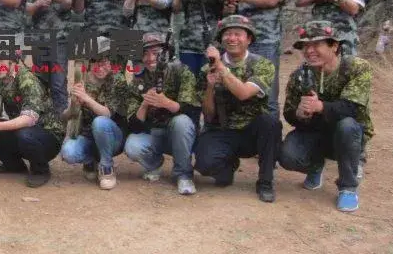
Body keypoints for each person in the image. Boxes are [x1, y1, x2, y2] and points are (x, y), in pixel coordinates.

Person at [278, 21, 373, 212]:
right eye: (305, 46)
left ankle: (348, 187)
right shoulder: (300, 75)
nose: (309, 51)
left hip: (346, 133)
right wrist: (298, 114)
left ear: (334, 46)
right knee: (287, 156)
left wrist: (320, 106)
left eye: (316, 44)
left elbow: (352, 108)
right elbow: (289, 113)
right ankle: (315, 166)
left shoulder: (357, 68)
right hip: (315, 132)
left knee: (347, 125)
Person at [193, 15, 282, 203]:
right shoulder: (206, 69)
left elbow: (243, 93)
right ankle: (228, 164)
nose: (232, 38)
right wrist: (210, 87)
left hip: (252, 131)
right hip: (221, 129)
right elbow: (208, 114)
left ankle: (265, 182)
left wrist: (221, 68)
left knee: (271, 123)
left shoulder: (263, 65)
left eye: (237, 34)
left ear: (249, 39)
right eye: (227, 34)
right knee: (205, 164)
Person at [220, 0, 290, 114]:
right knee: (241, 88)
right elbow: (234, 12)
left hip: (265, 41)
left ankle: (271, 131)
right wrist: (230, 6)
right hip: (241, 43)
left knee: (267, 95)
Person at [124, 33, 199, 195]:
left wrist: (166, 103)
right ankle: (154, 164)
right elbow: (134, 125)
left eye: (156, 53)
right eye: (145, 53)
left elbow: (191, 110)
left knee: (182, 122)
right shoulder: (139, 80)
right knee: (132, 145)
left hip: (179, 134)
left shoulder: (182, 72)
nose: (150, 58)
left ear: (167, 54)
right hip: (154, 133)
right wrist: (145, 104)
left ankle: (183, 175)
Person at [0, 56, 64, 188]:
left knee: (24, 134)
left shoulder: (26, 78)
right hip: (22, 131)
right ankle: (14, 165)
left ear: (12, 61)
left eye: (1, 60)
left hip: (48, 135)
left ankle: (40, 170)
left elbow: (29, 119)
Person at [59, 37, 128, 190]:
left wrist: (86, 99)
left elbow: (107, 114)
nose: (100, 67)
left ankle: (106, 167)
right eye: (95, 62)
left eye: (105, 62)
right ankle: (91, 160)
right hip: (88, 136)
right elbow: (65, 117)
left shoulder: (117, 79)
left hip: (113, 138)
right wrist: (73, 107)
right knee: (69, 152)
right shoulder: (83, 80)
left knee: (100, 122)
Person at [25, 0, 78, 114]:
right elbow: (26, 8)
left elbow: (71, 4)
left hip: (59, 39)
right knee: (39, 82)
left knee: (57, 82)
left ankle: (60, 121)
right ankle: (39, 119)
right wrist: (38, 3)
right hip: (38, 39)